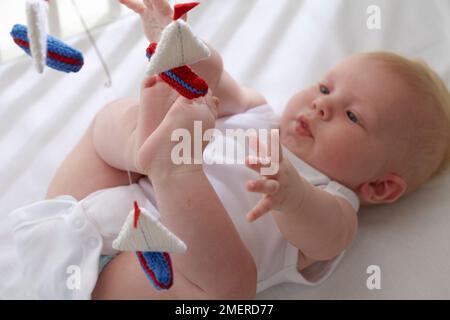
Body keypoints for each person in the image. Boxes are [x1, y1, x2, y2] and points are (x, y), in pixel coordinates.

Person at [10, 0, 450, 299]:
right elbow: (209, 81)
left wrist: (292, 197)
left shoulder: (333, 204)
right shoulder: (259, 111)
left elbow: (321, 233)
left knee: (231, 286)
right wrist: (174, 40)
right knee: (115, 114)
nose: (322, 104)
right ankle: (141, 146)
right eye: (325, 86)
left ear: (379, 186)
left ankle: (173, 170)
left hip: (128, 274)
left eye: (353, 117)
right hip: (76, 206)